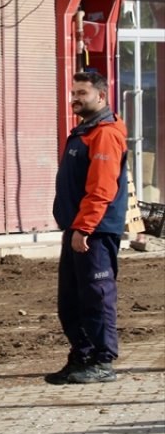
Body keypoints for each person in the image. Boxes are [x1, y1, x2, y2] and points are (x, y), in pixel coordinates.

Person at [47, 70, 128, 386]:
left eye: (82, 93)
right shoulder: (84, 131)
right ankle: (82, 356)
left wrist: (84, 229)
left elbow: (101, 189)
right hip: (78, 229)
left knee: (97, 296)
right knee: (70, 301)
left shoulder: (105, 134)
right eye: (74, 93)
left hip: (94, 231)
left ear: (101, 96)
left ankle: (103, 361)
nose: (75, 98)